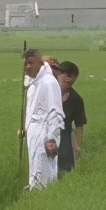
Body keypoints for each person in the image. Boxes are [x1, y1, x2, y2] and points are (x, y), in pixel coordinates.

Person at [20, 47, 63, 189]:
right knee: (35, 168)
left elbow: (55, 113)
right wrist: (25, 129)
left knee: (44, 170)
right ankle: (34, 191)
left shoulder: (49, 82)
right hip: (33, 135)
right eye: (25, 63)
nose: (27, 66)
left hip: (43, 136)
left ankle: (42, 197)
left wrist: (51, 139)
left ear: (40, 64)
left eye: (31, 63)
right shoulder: (33, 85)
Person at [54, 61, 87, 175]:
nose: (68, 79)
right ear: (58, 74)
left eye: (71, 77)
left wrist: (77, 147)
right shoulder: (47, 93)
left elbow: (79, 126)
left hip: (65, 141)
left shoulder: (76, 100)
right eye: (66, 75)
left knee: (64, 173)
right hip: (45, 138)